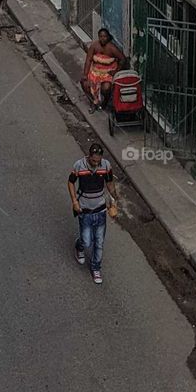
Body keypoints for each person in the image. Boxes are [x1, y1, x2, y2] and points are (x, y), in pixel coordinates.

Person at [68, 142, 118, 285]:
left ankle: (96, 267)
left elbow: (109, 183)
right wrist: (74, 202)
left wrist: (113, 200)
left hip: (100, 209)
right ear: (89, 156)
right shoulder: (79, 165)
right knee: (87, 240)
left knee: (99, 242)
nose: (96, 163)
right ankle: (79, 246)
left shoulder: (106, 166)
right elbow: (71, 182)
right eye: (94, 160)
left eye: (98, 161)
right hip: (85, 210)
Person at [81, 28, 126, 109]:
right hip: (95, 72)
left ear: (108, 37)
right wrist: (85, 74)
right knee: (84, 83)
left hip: (107, 74)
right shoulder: (94, 46)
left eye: (105, 36)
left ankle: (105, 102)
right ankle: (94, 101)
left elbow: (122, 59)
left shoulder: (112, 48)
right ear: (98, 37)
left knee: (106, 88)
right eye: (101, 36)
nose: (103, 38)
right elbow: (88, 60)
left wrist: (116, 71)